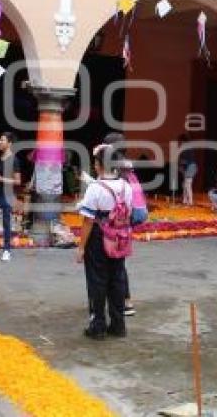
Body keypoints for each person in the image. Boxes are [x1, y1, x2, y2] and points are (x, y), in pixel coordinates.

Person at [77, 144, 131, 339]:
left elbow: (88, 221)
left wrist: (81, 247)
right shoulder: (126, 186)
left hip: (99, 239)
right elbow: (128, 213)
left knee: (97, 281)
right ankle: (118, 325)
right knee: (117, 279)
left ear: (99, 165)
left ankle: (98, 325)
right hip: (120, 237)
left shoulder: (95, 188)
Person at [102, 132, 144, 317]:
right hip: (126, 222)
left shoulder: (117, 170)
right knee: (118, 262)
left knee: (115, 263)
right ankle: (124, 301)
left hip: (118, 222)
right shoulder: (127, 168)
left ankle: (124, 302)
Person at [0, 132, 22, 261]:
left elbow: (17, 181)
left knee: (6, 222)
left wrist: (1, 179)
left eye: (2, 140)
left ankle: (7, 250)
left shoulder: (14, 160)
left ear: (9, 143)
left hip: (7, 195)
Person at [178, 134, 197, 206]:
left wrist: (181, 165)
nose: (179, 143)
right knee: (184, 184)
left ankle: (190, 201)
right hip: (188, 167)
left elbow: (186, 159)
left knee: (187, 184)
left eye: (180, 141)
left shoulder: (187, 148)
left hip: (190, 167)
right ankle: (185, 200)